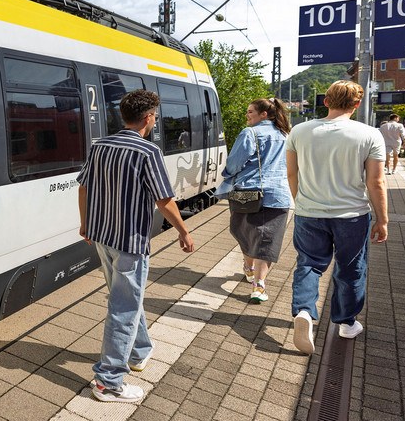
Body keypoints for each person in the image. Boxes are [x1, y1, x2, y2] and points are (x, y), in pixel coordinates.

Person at [76, 90, 194, 403]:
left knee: (125, 297)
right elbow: (164, 200)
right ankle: (108, 382)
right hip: (129, 242)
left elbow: (84, 186)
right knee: (124, 306)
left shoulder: (100, 145)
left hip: (101, 236)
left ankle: (139, 351)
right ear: (148, 118)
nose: (155, 119)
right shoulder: (147, 151)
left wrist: (85, 224)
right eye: (155, 114)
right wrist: (183, 230)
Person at [286, 80, 387, 355]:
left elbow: (292, 174)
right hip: (352, 216)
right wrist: (382, 219)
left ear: (326, 102)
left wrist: (302, 203)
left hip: (309, 213)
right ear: (357, 104)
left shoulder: (300, 130)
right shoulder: (369, 134)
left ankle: (305, 311)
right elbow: (376, 182)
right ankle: (346, 322)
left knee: (308, 264)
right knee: (351, 268)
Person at [216, 98, 292, 303]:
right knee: (267, 240)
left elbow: (234, 162)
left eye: (251, 112)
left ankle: (251, 271)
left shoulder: (250, 133)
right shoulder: (287, 135)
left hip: (248, 193)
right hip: (278, 195)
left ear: (264, 114)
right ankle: (258, 286)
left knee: (245, 232)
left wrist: (228, 174)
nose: (247, 115)